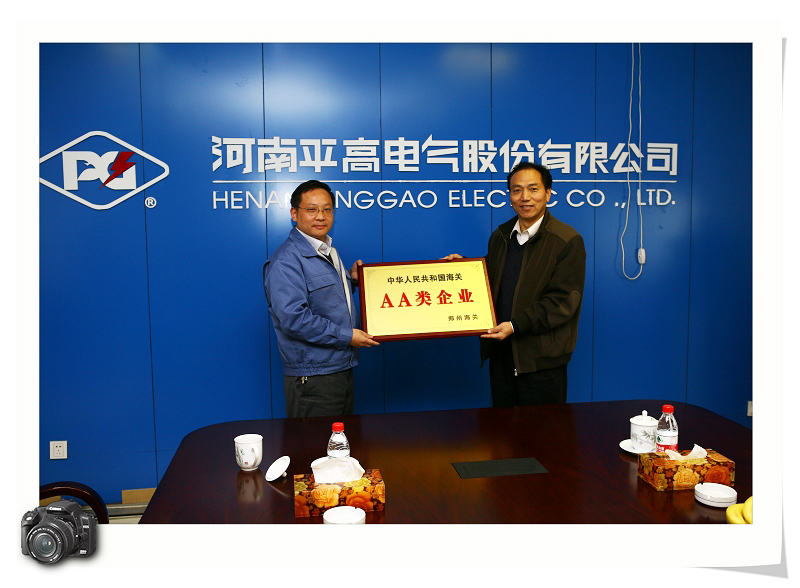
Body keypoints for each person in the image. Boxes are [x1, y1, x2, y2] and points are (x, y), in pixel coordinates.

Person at [444, 162, 585, 406]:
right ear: (510, 196)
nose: (525, 197)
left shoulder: (566, 240)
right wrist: (462, 269)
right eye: (517, 190)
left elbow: (562, 302)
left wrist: (515, 325)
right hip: (501, 353)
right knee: (502, 427)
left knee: (544, 428)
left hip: (541, 361)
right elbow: (490, 277)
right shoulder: (501, 235)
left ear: (548, 193)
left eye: (533, 189)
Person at [263, 179, 378, 418]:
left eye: (327, 209)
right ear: (294, 213)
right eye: (311, 209)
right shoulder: (287, 260)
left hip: (340, 368)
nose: (321, 216)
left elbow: (324, 298)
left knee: (339, 441)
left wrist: (351, 280)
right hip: (313, 379)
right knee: (316, 442)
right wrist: (347, 336)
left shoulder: (326, 250)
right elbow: (294, 319)